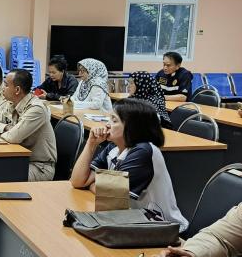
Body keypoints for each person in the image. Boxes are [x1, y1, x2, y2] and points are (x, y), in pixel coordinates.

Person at [70, 98, 188, 232]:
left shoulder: (143, 151)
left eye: (114, 120)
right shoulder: (114, 148)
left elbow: (110, 195)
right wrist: (91, 144)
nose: (107, 125)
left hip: (162, 227)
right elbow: (77, 181)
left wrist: (94, 184)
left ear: (132, 126)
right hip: (132, 221)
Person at [0, 69, 57, 182]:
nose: (2, 88)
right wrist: (6, 128)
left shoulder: (36, 109)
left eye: (6, 85)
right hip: (19, 159)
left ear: (17, 90)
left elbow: (13, 137)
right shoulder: (11, 103)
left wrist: (3, 131)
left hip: (39, 167)